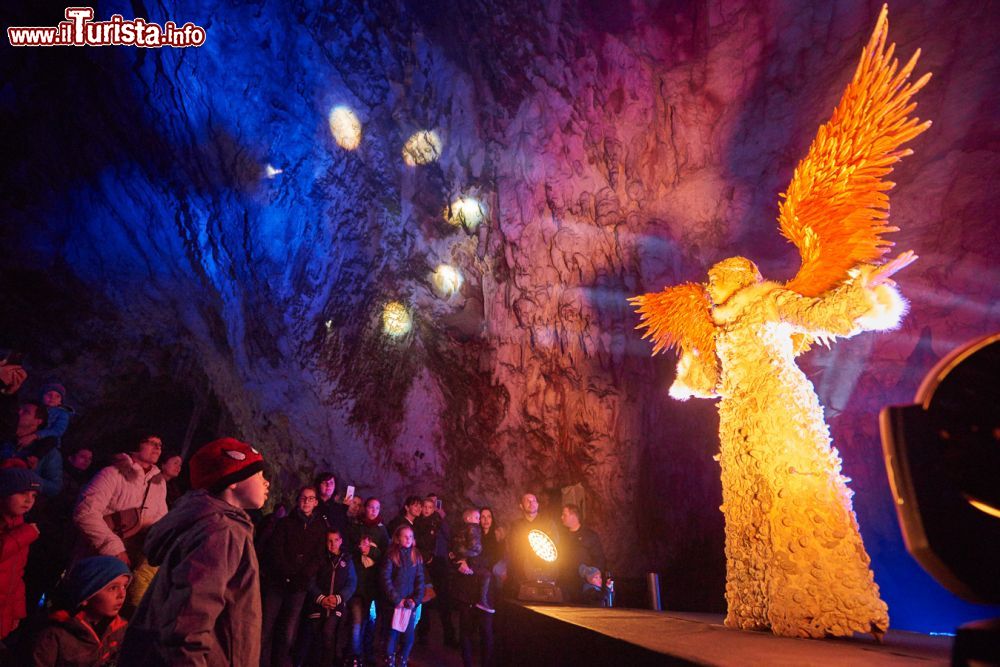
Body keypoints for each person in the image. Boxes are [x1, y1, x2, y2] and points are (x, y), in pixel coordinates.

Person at [118, 436, 269, 665]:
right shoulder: (222, 530)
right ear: (233, 481)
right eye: (258, 475)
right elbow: (189, 622)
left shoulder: (209, 522)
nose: (266, 482)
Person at [73, 434, 168, 565]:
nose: (157, 447)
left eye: (160, 444)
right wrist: (114, 548)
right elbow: (85, 513)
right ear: (135, 445)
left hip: (136, 554)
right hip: (102, 555)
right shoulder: (112, 473)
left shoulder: (159, 483)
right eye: (151, 442)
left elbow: (161, 519)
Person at [260, 485, 328, 667]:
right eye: (303, 498)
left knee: (288, 630)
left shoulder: (320, 527)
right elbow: (276, 550)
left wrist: (303, 576)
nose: (306, 501)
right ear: (298, 500)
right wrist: (288, 573)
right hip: (278, 581)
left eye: (310, 498)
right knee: (266, 626)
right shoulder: (285, 523)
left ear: (316, 502)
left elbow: (319, 556)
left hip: (299, 585)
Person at [31, 556, 131, 666]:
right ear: (87, 596)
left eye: (124, 586)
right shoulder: (55, 635)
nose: (122, 595)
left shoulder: (119, 629)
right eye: (113, 588)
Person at [300, 529, 357, 667]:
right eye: (329, 541)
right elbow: (310, 581)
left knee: (328, 633)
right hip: (318, 604)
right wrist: (321, 598)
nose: (333, 544)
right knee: (316, 637)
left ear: (341, 541)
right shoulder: (320, 558)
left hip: (336, 605)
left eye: (336, 540)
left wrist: (338, 598)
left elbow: (352, 582)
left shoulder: (346, 560)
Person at [0, 464, 42, 646]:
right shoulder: (23, 531)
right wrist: (25, 534)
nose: (28, 500)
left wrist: (17, 612)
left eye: (33, 496)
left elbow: (17, 574)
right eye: (22, 493)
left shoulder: (20, 524)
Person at [451, 509, 495, 667]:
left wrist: (469, 562)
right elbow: (453, 551)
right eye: (480, 517)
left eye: (488, 516)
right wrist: (458, 561)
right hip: (467, 589)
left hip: (485, 592)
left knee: (486, 632)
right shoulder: (468, 533)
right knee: (466, 631)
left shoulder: (495, 538)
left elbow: (494, 560)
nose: (484, 520)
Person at [379, 525, 425, 667]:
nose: (408, 539)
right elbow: (385, 579)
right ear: (398, 539)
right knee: (392, 634)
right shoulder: (391, 555)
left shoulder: (415, 556)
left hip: (409, 604)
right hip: (394, 604)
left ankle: (403, 659)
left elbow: (420, 580)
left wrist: (415, 600)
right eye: (405, 536)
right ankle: (390, 659)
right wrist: (396, 599)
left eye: (410, 536)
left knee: (409, 636)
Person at [414, 496, 455, 647]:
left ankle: (449, 636)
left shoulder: (438, 521)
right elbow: (418, 542)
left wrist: (442, 519)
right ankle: (423, 635)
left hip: (439, 564)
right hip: (425, 564)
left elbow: (449, 536)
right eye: (424, 506)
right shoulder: (418, 523)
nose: (427, 510)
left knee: (444, 601)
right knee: (424, 599)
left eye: (430, 507)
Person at [0, 401, 62, 497]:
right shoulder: (6, 440)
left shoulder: (49, 452)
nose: (19, 413)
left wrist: (29, 478)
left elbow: (55, 488)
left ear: (38, 421)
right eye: (19, 410)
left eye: (26, 412)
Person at [505, 492, 559, 596]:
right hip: (523, 568)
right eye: (528, 501)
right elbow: (514, 549)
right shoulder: (516, 526)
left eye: (534, 500)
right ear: (521, 506)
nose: (531, 503)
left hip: (546, 567)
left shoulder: (548, 523)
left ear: (538, 504)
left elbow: (555, 544)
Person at [557, 504, 606, 602]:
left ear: (574, 516)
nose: (561, 517)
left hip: (583, 584)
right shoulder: (561, 536)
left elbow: (599, 559)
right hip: (565, 583)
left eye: (564, 515)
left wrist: (593, 577)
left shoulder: (590, 536)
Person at [345, 534, 380, 667]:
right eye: (362, 544)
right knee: (357, 624)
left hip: (372, 596)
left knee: (370, 625)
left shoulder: (376, 557)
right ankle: (354, 656)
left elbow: (382, 556)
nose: (364, 547)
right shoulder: (354, 557)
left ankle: (367, 653)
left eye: (367, 544)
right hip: (357, 594)